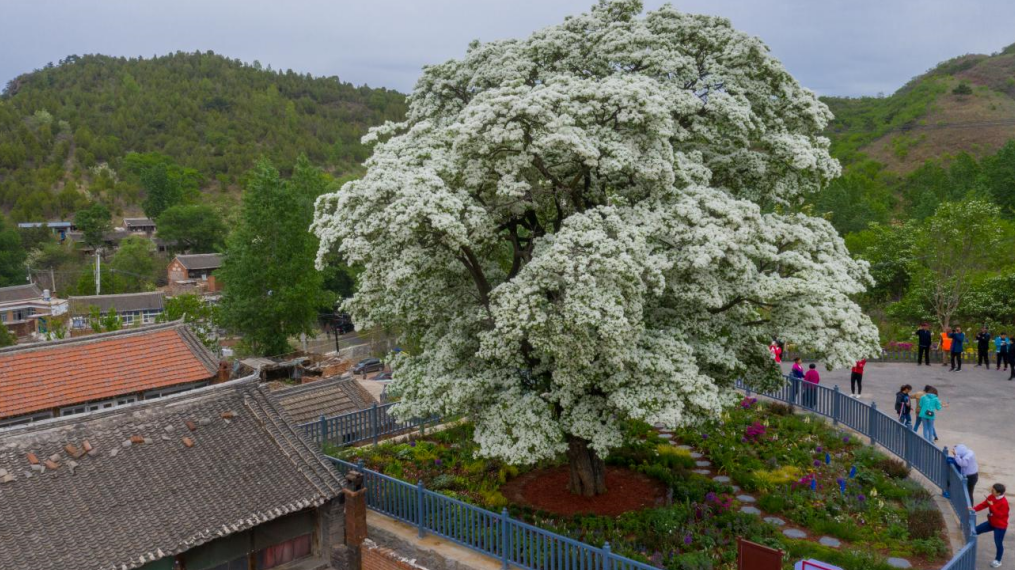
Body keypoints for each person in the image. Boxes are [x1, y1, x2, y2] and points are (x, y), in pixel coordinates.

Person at [970, 483, 1009, 568]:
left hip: (1000, 526)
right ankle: (967, 548)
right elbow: (984, 504)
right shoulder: (991, 496)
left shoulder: (1004, 503)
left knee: (998, 543)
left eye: (993, 490)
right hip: (991, 522)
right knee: (975, 530)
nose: (991, 491)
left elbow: (999, 515)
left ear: (998, 493)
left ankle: (998, 560)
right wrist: (974, 509)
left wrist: (992, 505)